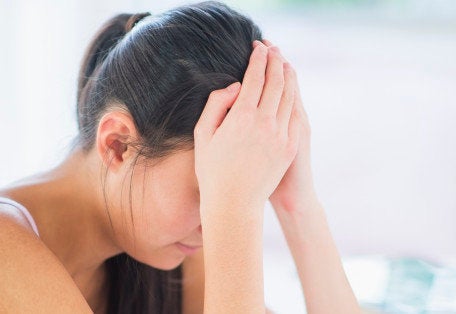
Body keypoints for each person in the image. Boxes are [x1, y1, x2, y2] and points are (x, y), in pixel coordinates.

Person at [0, 1, 361, 313]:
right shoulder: (6, 250)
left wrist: (297, 204)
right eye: (209, 188)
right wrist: (231, 208)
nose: (212, 227)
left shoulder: (162, 249)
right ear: (118, 145)